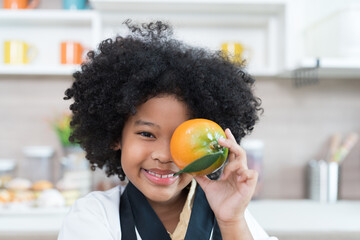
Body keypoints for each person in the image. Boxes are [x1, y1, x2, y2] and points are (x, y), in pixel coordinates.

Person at [58, 20, 277, 240]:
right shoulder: (93, 216)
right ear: (116, 135)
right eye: (147, 134)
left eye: (183, 138)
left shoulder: (235, 218)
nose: (164, 155)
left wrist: (232, 221)